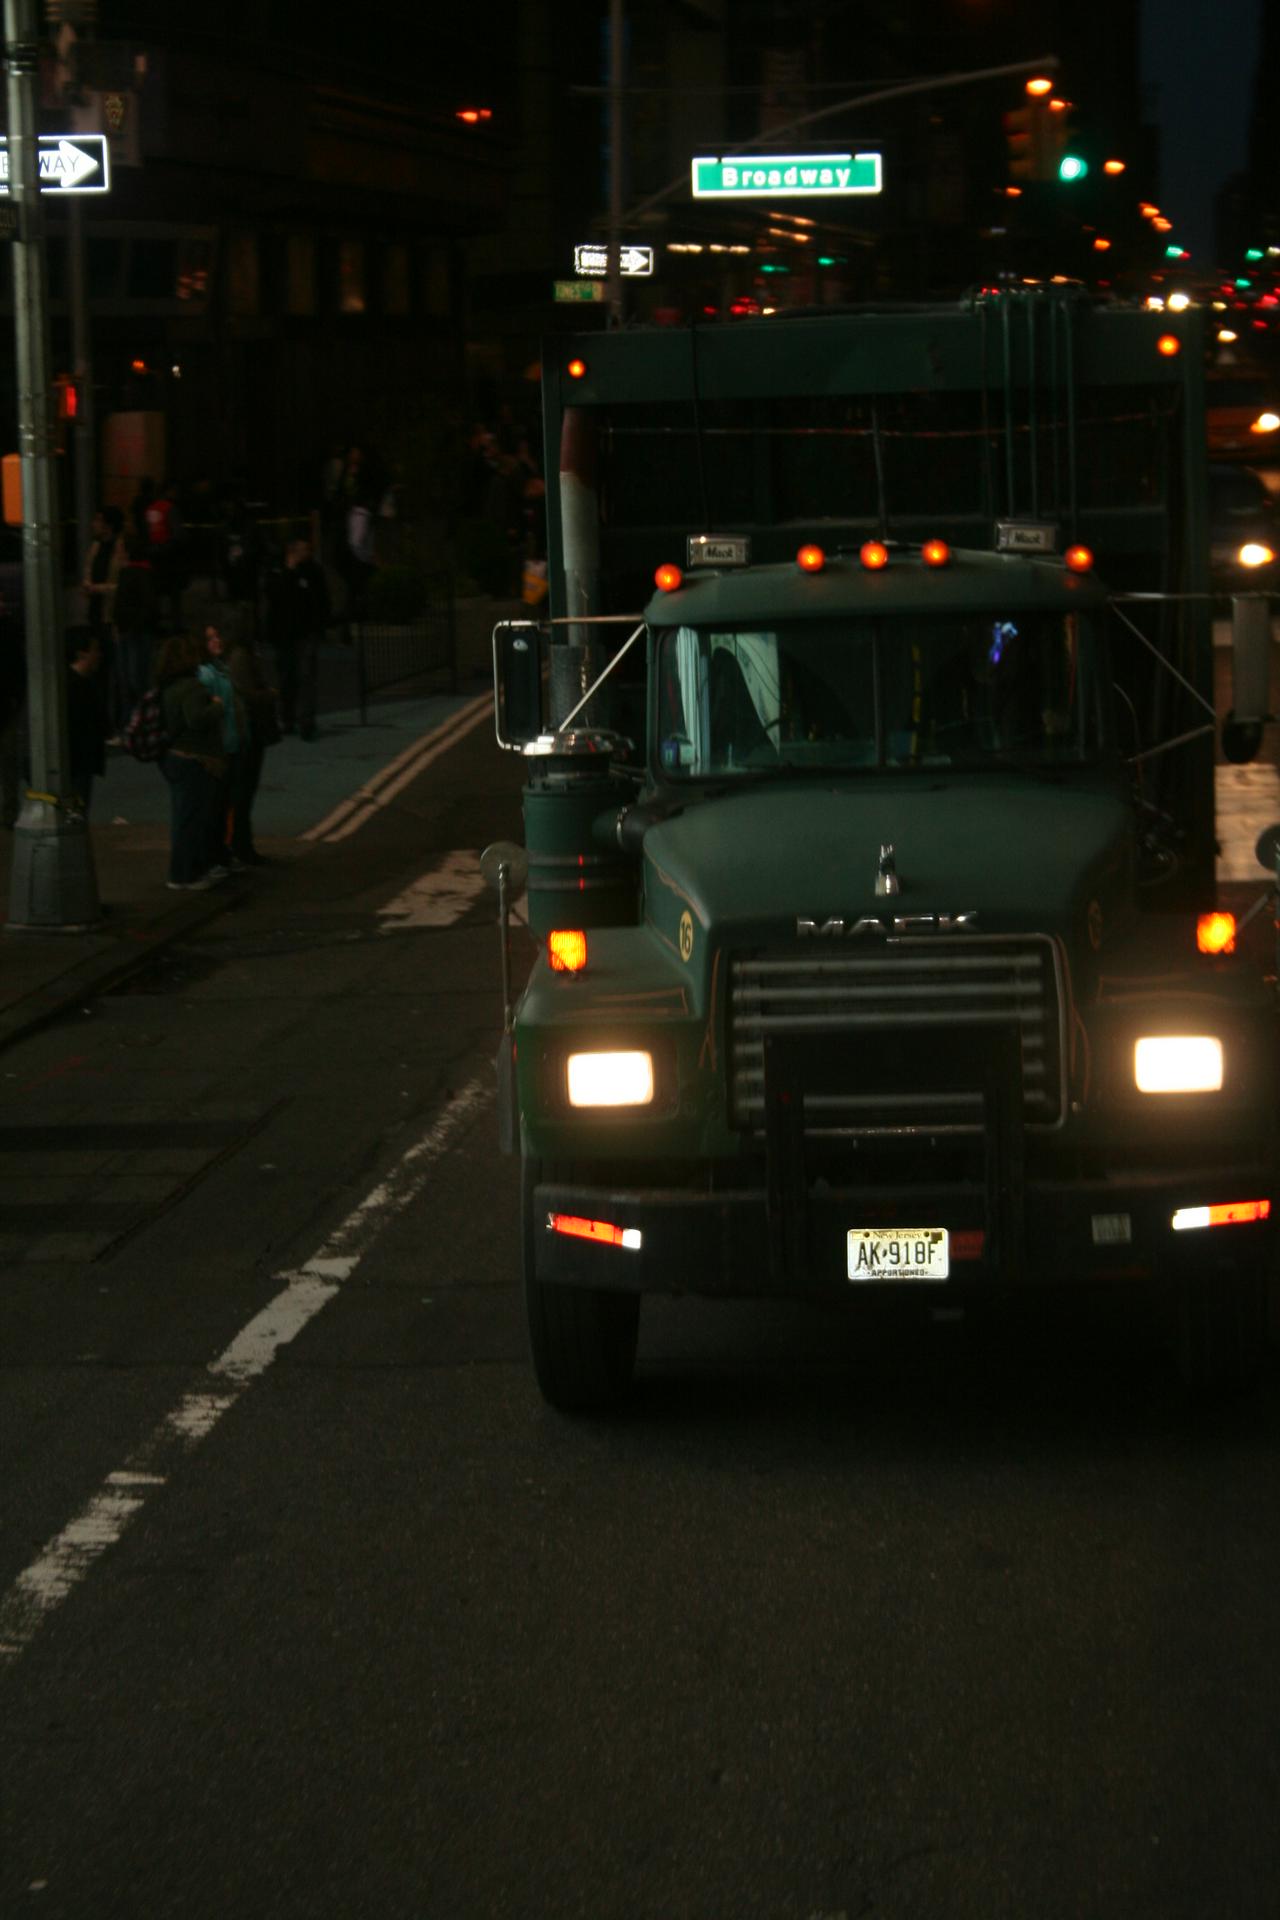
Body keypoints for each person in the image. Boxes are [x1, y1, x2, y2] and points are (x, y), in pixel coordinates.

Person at [156, 630, 225, 890]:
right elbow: (197, 719)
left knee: (183, 817)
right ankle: (185, 874)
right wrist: (217, 705)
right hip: (193, 758)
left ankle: (185, 871)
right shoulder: (192, 687)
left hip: (172, 756)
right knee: (192, 819)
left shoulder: (167, 687)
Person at [225, 619, 279, 865]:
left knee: (244, 792)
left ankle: (242, 846)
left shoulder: (241, 655)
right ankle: (241, 847)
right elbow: (246, 694)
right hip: (248, 732)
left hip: (249, 732)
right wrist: (268, 695)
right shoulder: (241, 657)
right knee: (243, 792)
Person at [266, 536, 330, 739]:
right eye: (304, 549)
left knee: (306, 677)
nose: (308, 553)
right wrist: (290, 572)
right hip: (283, 634)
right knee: (287, 678)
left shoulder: (313, 571)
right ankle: (287, 718)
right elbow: (274, 595)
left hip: (305, 632)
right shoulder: (277, 571)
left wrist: (319, 625)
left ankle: (306, 722)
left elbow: (320, 599)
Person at [198, 623, 247, 872]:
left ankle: (222, 855)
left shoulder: (220, 670)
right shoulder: (206, 674)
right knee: (216, 807)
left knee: (225, 805)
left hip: (229, 744)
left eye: (218, 636)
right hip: (220, 748)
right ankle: (215, 857)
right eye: (210, 639)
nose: (217, 641)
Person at [80, 505, 124, 730]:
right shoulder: (96, 547)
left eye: (98, 520)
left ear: (108, 525)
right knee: (99, 669)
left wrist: (97, 588)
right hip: (96, 614)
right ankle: (102, 720)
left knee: (114, 671)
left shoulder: (118, 548)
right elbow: (89, 571)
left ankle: (115, 720)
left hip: (110, 616)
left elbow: (122, 584)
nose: (94, 524)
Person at [112, 533, 161, 722]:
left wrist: (125, 625)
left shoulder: (135, 573)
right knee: (133, 678)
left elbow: (137, 605)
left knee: (133, 678)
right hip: (133, 630)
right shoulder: (140, 572)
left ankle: (136, 720)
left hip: (133, 632)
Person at [64, 626, 108, 816]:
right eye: (94, 650)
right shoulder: (78, 686)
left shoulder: (76, 683)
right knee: (77, 811)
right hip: (78, 761)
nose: (99, 655)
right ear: (82, 653)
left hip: (77, 760)